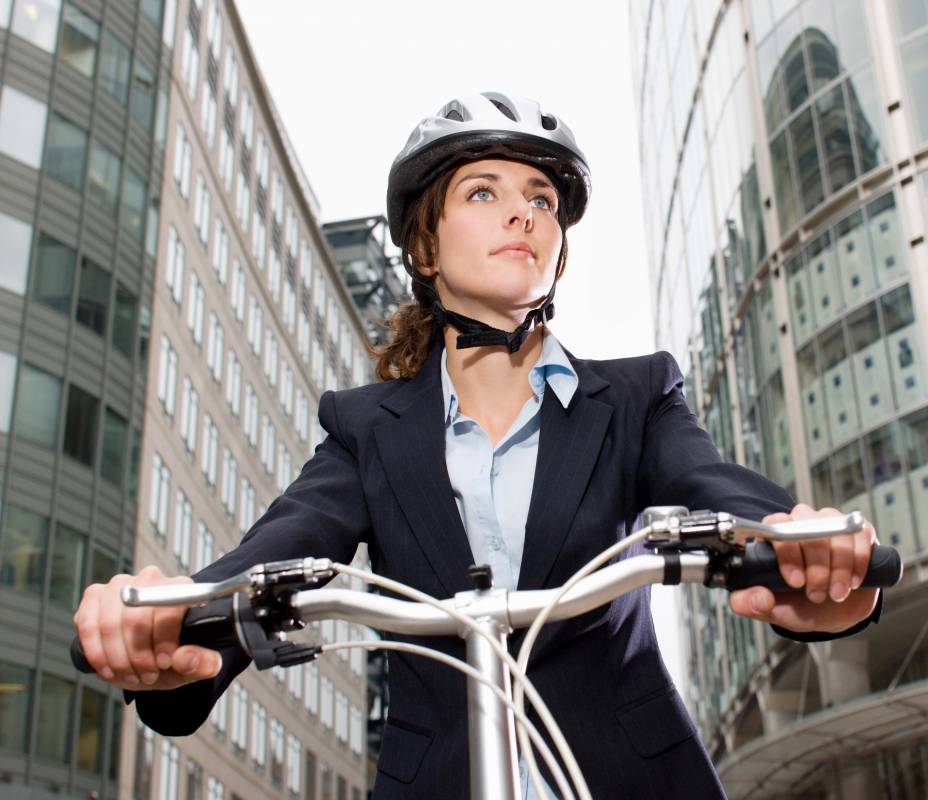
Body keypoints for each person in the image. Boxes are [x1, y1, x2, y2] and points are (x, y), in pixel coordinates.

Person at [73, 92, 883, 799]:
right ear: (424, 248)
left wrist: (805, 549)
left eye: (542, 198)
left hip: (632, 777)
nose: (524, 212)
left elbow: (713, 483)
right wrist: (164, 622)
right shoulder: (367, 428)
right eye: (484, 191)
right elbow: (274, 551)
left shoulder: (633, 396)